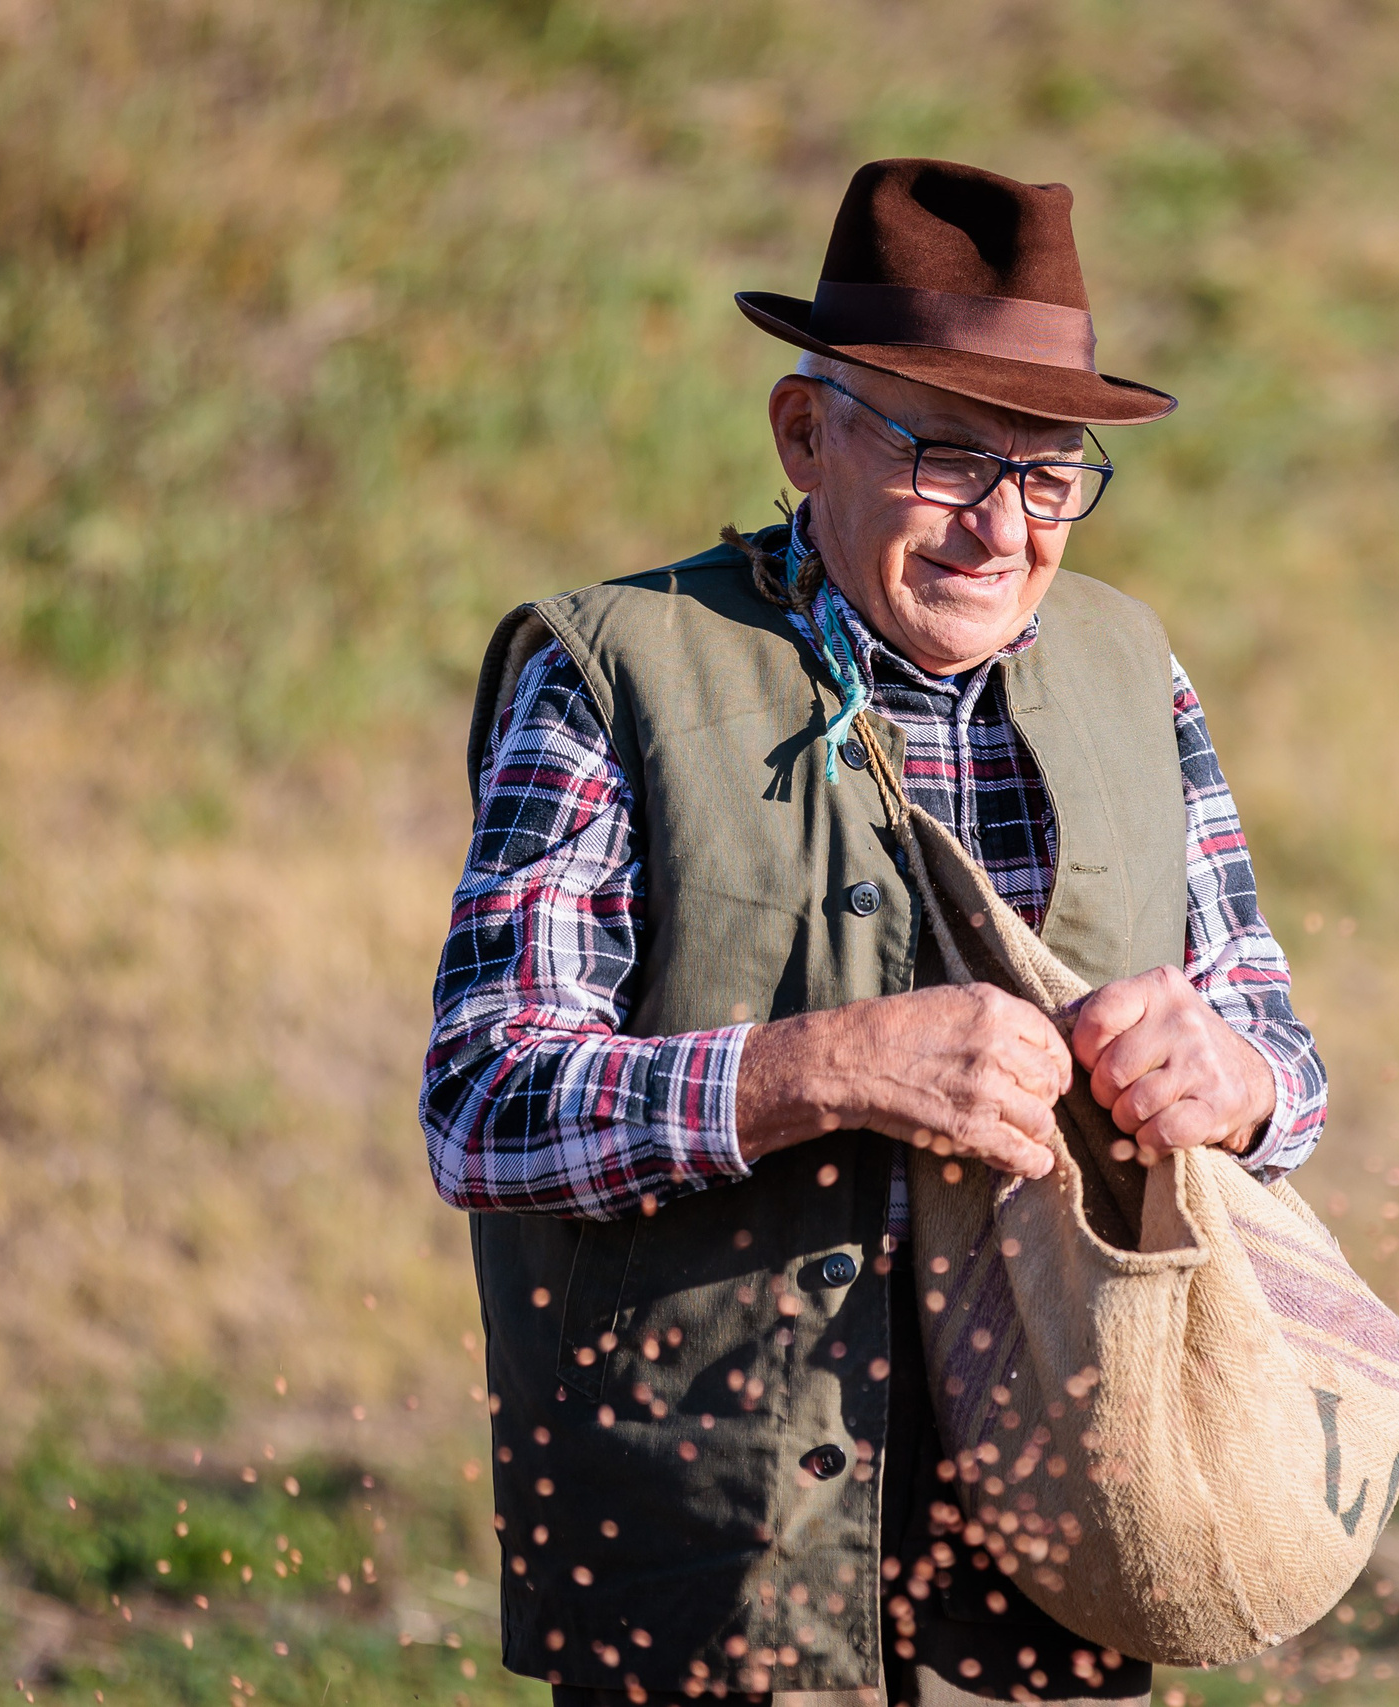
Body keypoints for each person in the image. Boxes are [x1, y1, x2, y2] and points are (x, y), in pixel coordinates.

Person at [419, 158, 1327, 1707]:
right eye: (950, 458)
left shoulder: (1135, 670)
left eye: (1051, 476)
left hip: (1060, 1562)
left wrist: (1231, 1085)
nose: (1003, 530)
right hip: (708, 1580)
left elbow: (1285, 1072)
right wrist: (816, 1069)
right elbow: (486, 1108)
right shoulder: (613, 671)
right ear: (802, 433)